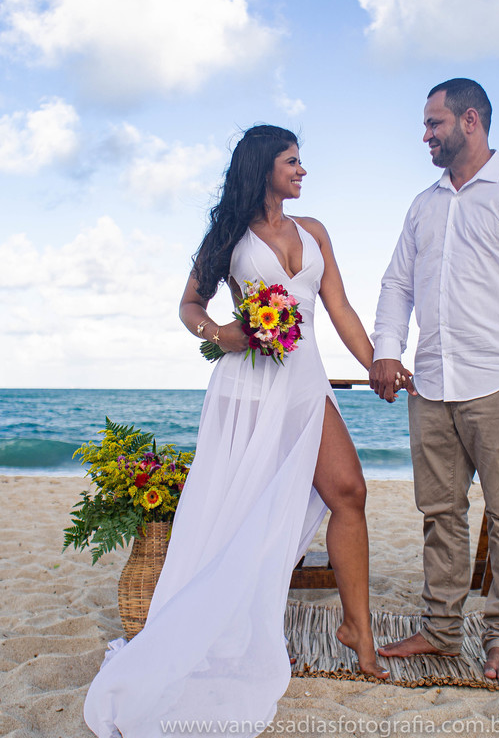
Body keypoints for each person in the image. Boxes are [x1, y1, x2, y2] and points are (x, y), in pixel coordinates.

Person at [83, 125, 388, 738]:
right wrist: (221, 333)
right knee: (240, 509)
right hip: (247, 385)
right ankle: (225, 632)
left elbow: (340, 309)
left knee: (348, 491)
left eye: (302, 161)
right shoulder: (228, 234)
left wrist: (377, 361)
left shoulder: (316, 232)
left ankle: (358, 628)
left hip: (305, 383)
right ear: (262, 167)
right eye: (292, 161)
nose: (302, 171)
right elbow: (188, 307)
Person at [370, 79, 499, 681]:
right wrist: (388, 349)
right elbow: (397, 285)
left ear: (470, 120)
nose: (426, 136)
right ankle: (440, 631)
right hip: (430, 384)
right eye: (425, 125)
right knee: (440, 513)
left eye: (434, 123)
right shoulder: (423, 204)